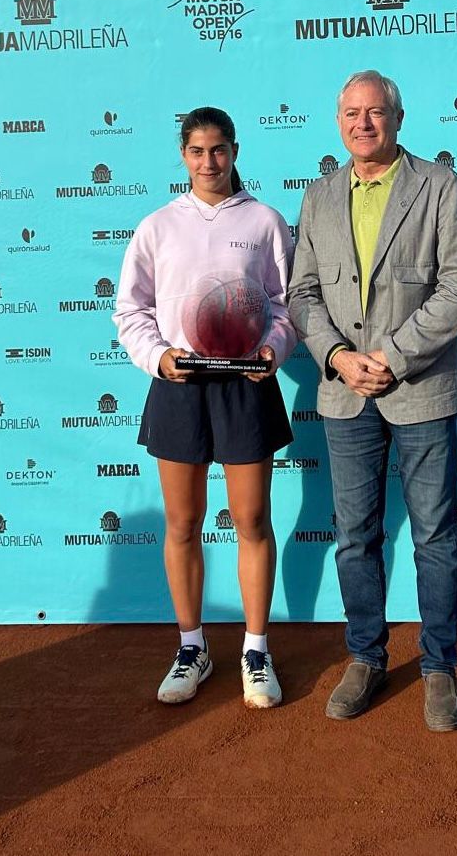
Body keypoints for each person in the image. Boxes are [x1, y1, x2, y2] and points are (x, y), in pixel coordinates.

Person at [287, 71, 457, 730]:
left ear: (398, 118)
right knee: (354, 536)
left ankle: (439, 667)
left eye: (375, 112)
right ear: (337, 120)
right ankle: (366, 656)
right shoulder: (317, 198)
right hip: (344, 395)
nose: (362, 123)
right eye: (350, 112)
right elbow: (301, 294)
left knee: (434, 534)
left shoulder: (441, 187)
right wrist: (340, 357)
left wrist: (391, 359)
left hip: (419, 389)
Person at [114, 107, 296, 709]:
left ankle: (255, 649)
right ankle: (192, 645)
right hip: (179, 388)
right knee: (182, 523)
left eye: (218, 150)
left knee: (250, 522)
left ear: (235, 151)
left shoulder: (266, 222)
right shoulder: (157, 226)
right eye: (196, 151)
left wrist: (272, 349)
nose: (208, 162)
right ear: (182, 155)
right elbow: (130, 312)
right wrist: (159, 358)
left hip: (246, 386)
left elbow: (286, 304)